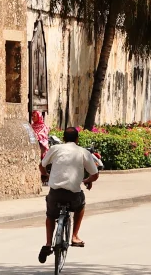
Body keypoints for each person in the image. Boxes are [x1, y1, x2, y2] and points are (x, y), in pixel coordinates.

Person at [37, 127, 99, 264]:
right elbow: (95, 175)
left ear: (63, 139)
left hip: (55, 193)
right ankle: (75, 236)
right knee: (81, 205)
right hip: (73, 194)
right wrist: (87, 181)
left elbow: (41, 165)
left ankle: (48, 243)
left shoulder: (55, 149)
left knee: (50, 215)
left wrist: (45, 175)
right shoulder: (83, 152)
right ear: (77, 139)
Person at [30, 111, 50, 185]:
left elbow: (43, 137)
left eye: (34, 116)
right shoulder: (31, 126)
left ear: (38, 117)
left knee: (41, 162)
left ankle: (45, 176)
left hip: (41, 147)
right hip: (33, 147)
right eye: (32, 116)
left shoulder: (43, 127)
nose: (32, 118)